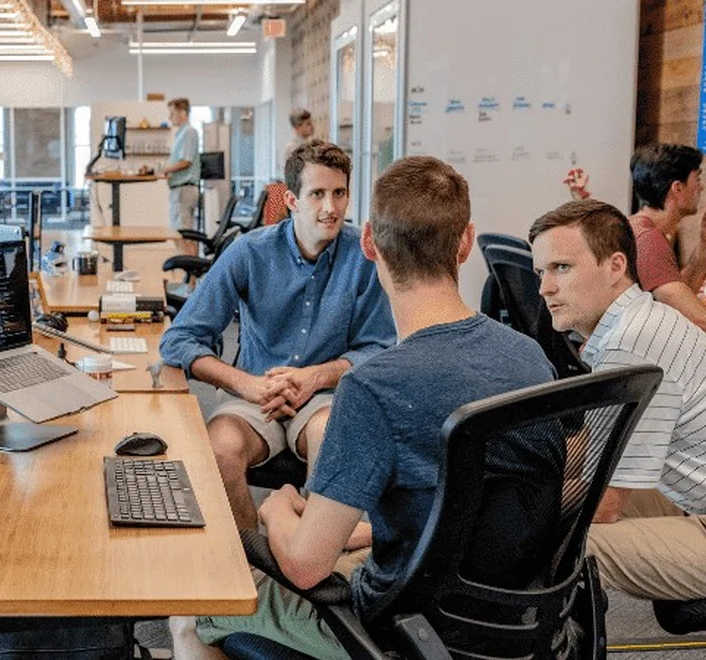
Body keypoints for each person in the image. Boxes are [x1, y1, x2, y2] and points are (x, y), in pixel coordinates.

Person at [171, 156, 559, 659]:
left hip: (397, 633)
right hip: (512, 626)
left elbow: (306, 567)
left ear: (371, 243)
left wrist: (277, 510)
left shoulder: (374, 389)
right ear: (466, 241)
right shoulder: (531, 356)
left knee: (188, 610)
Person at [159, 140, 395, 531]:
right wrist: (246, 384)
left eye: (339, 193)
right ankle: (256, 560)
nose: (330, 208)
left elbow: (380, 349)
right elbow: (179, 339)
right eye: (317, 194)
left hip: (323, 397)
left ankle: (309, 560)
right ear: (291, 199)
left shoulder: (364, 256)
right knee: (219, 451)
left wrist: (314, 377)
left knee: (332, 442)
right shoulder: (249, 252)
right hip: (253, 393)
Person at [530, 198, 706, 601]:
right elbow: (595, 448)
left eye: (561, 267)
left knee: (571, 543)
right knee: (542, 500)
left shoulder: (630, 343)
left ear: (615, 266)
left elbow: (605, 504)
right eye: (541, 271)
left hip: (698, 516)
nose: (544, 288)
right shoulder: (635, 322)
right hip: (690, 500)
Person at [629, 144, 706, 329]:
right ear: (677, 188)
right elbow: (697, 318)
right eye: (698, 178)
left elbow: (677, 294)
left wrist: (704, 245)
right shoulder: (647, 240)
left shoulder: (639, 226)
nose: (701, 187)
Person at [164, 97, 201, 256]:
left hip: (184, 189)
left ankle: (192, 277)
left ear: (183, 112)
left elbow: (186, 161)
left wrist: (166, 169)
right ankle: (188, 274)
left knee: (185, 234)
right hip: (178, 189)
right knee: (180, 232)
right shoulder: (180, 133)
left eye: (172, 113)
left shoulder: (189, 132)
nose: (170, 117)